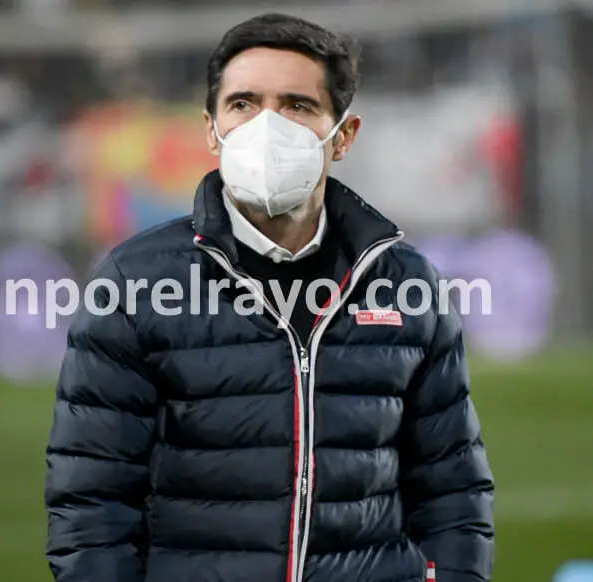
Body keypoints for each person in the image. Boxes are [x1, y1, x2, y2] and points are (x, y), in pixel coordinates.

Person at [45, 12, 495, 582]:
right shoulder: (133, 284)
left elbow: (454, 490)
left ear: (345, 136)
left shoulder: (406, 285)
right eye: (243, 104)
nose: (267, 127)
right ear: (211, 130)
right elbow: (91, 504)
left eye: (297, 106)